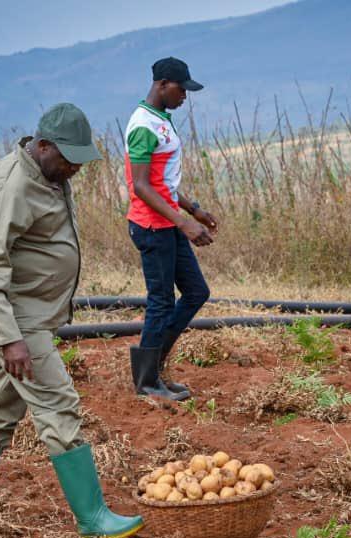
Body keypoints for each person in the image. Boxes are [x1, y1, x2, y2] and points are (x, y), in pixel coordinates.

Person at [0, 103, 142, 538]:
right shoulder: (11, 187)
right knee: (58, 404)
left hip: (28, 316)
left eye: (80, 159)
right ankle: (92, 517)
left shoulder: (47, 176)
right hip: (17, 321)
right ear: (43, 145)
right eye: (69, 157)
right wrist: (9, 339)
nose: (76, 167)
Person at [125, 57, 219, 401]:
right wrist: (185, 223)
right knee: (161, 303)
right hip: (152, 226)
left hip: (168, 222)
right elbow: (141, 186)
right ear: (163, 84)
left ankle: (155, 366)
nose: (184, 96)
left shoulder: (161, 119)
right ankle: (147, 382)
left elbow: (162, 183)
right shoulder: (143, 125)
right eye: (182, 89)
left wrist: (193, 209)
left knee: (196, 292)